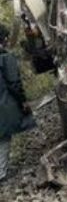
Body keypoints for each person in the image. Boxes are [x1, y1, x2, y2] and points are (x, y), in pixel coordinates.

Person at [0, 24, 28, 182]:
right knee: (3, 137)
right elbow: (14, 83)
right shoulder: (5, 57)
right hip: (2, 105)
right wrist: (23, 101)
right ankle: (1, 173)